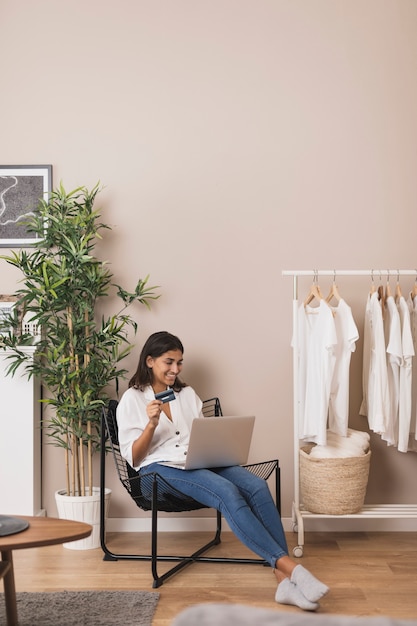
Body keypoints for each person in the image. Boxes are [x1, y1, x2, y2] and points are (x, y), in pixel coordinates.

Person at [117, 331, 329, 610]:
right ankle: (292, 569)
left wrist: (216, 447)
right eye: (169, 362)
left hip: (197, 460)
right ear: (149, 361)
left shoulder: (187, 394)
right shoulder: (132, 400)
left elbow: (199, 436)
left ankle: (283, 583)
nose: (175, 369)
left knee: (256, 486)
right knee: (227, 491)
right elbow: (134, 458)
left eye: (180, 363)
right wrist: (151, 424)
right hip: (157, 472)